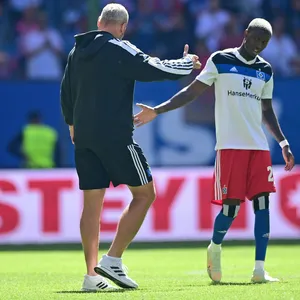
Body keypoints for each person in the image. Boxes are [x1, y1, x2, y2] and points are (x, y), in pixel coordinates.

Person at [134, 18, 295, 283]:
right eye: (256, 39)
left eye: (264, 43)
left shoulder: (265, 70)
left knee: (263, 204)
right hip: (230, 146)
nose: (259, 46)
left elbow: (266, 110)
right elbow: (191, 92)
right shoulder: (220, 60)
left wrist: (283, 142)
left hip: (258, 147)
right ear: (245, 34)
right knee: (231, 209)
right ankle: (215, 247)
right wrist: (158, 110)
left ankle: (259, 269)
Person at [60, 3, 200, 292]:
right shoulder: (119, 48)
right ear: (122, 27)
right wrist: (186, 63)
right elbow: (154, 67)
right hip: (114, 135)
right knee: (145, 194)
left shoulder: (77, 52)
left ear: (100, 22)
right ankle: (113, 259)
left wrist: (72, 124)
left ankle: (91, 276)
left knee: (91, 206)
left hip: (84, 136)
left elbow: (66, 89)